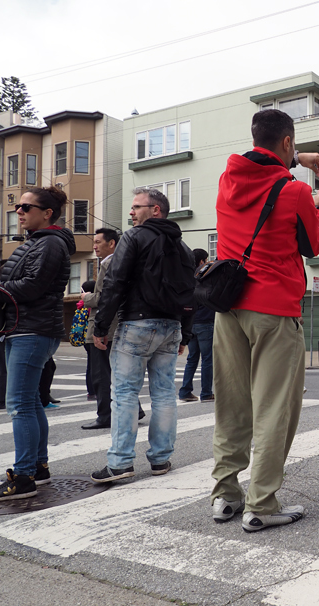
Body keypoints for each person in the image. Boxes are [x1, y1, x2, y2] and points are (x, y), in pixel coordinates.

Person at [211, 108, 319, 532]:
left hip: (228, 310)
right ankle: (260, 504)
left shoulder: (228, 179)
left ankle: (225, 495)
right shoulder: (294, 192)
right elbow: (314, 245)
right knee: (273, 409)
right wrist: (318, 205)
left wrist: (296, 157)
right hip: (274, 310)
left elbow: (259, 162)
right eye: (293, 145)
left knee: (231, 406)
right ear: (287, 142)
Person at [90, 188, 194, 483]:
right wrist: (185, 334)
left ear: (156, 210)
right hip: (171, 327)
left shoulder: (134, 237)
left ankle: (121, 462)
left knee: (123, 394)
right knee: (164, 395)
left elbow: (115, 281)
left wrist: (101, 327)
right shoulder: (183, 248)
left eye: (136, 207)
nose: (131, 212)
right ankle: (161, 459)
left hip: (137, 323)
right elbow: (191, 293)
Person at [0, 185, 75, 502]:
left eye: (26, 208)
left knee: (20, 403)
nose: (19, 212)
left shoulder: (50, 244)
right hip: (26, 327)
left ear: (47, 213)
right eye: (19, 207)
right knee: (29, 401)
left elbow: (32, 286)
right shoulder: (40, 242)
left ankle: (25, 475)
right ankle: (37, 468)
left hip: (33, 329)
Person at [82, 228, 145, 430]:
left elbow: (103, 297)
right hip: (123, 322)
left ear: (112, 243)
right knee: (120, 373)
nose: (94, 246)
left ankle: (105, 415)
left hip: (104, 324)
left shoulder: (109, 263)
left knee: (101, 374)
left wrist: (86, 298)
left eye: (98, 242)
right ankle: (136, 409)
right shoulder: (130, 261)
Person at [179, 248, 215, 402]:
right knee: (207, 359)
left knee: (192, 358)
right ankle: (206, 392)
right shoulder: (206, 277)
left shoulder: (187, 276)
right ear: (202, 261)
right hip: (206, 321)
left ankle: (185, 391)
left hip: (191, 323)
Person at [80, 280, 96, 400]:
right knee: (96, 366)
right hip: (94, 336)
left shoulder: (81, 304)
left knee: (90, 365)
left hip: (86, 337)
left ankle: (91, 391)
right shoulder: (92, 303)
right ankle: (93, 391)